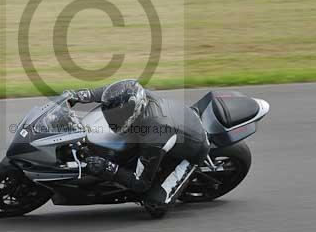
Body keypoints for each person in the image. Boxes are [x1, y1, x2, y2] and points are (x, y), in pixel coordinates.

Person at [65, 79, 209, 211]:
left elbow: (141, 183)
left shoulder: (153, 136)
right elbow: (111, 93)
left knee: (154, 204)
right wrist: (78, 96)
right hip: (174, 126)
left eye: (116, 115)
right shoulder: (135, 93)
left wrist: (109, 168)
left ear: (133, 113)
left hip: (193, 149)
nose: (110, 118)